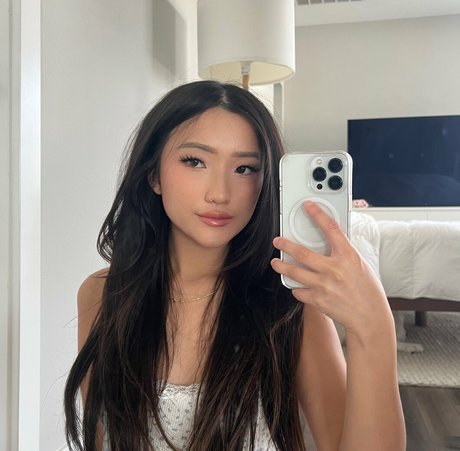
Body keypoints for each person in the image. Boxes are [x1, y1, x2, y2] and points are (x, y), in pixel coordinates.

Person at [64, 80, 406, 451]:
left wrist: (375, 328)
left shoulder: (290, 306)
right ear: (153, 175)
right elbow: (103, 439)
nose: (220, 193)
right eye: (195, 161)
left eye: (244, 168)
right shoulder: (102, 293)